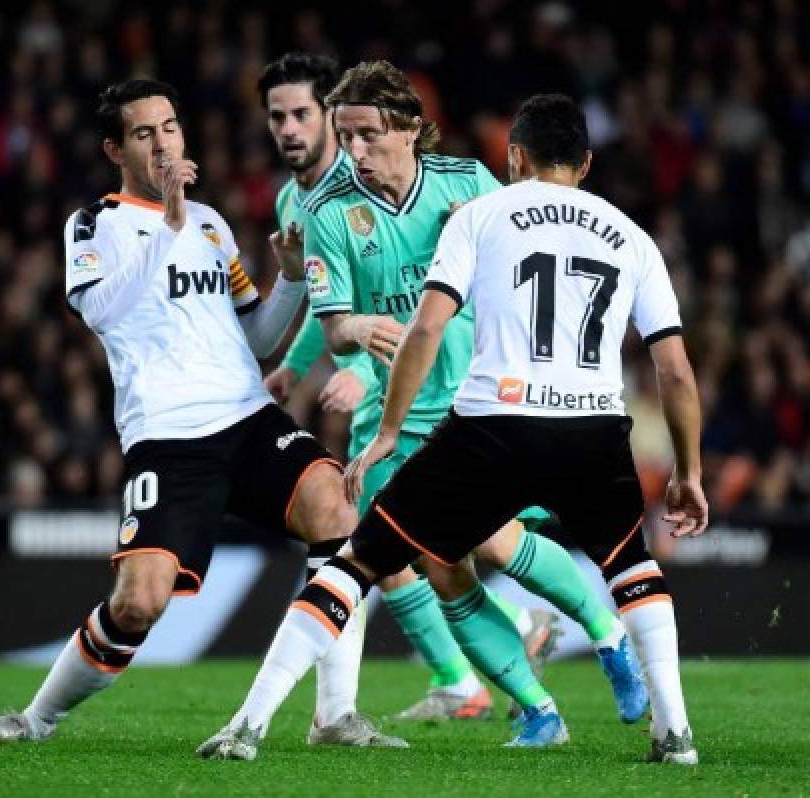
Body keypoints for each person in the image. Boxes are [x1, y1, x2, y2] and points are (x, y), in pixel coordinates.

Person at [207, 92, 706, 763]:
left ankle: (250, 724)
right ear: (585, 162)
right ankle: (672, 732)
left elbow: (428, 326)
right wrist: (689, 471)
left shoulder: (479, 210)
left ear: (515, 156)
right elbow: (673, 371)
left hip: (490, 424)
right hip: (592, 428)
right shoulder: (632, 236)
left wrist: (383, 431)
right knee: (632, 569)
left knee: (356, 563)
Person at [0, 78, 401, 748]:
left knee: (337, 508)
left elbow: (253, 338)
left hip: (246, 417)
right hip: (168, 437)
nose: (162, 141)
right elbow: (99, 310)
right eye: (143, 132)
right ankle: (35, 719)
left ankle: (334, 715)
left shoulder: (213, 225)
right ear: (114, 148)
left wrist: (289, 278)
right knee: (138, 603)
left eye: (169, 126)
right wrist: (165, 224)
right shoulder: (95, 223)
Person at [256, 52, 563, 723]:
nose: (290, 127)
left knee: (417, 532)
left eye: (303, 113)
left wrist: (360, 372)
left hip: (430, 381)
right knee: (399, 535)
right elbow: (332, 305)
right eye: (277, 115)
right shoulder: (292, 202)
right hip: (382, 381)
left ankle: (496, 655)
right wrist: (300, 367)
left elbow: (408, 301)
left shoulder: (372, 178)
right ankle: (480, 662)